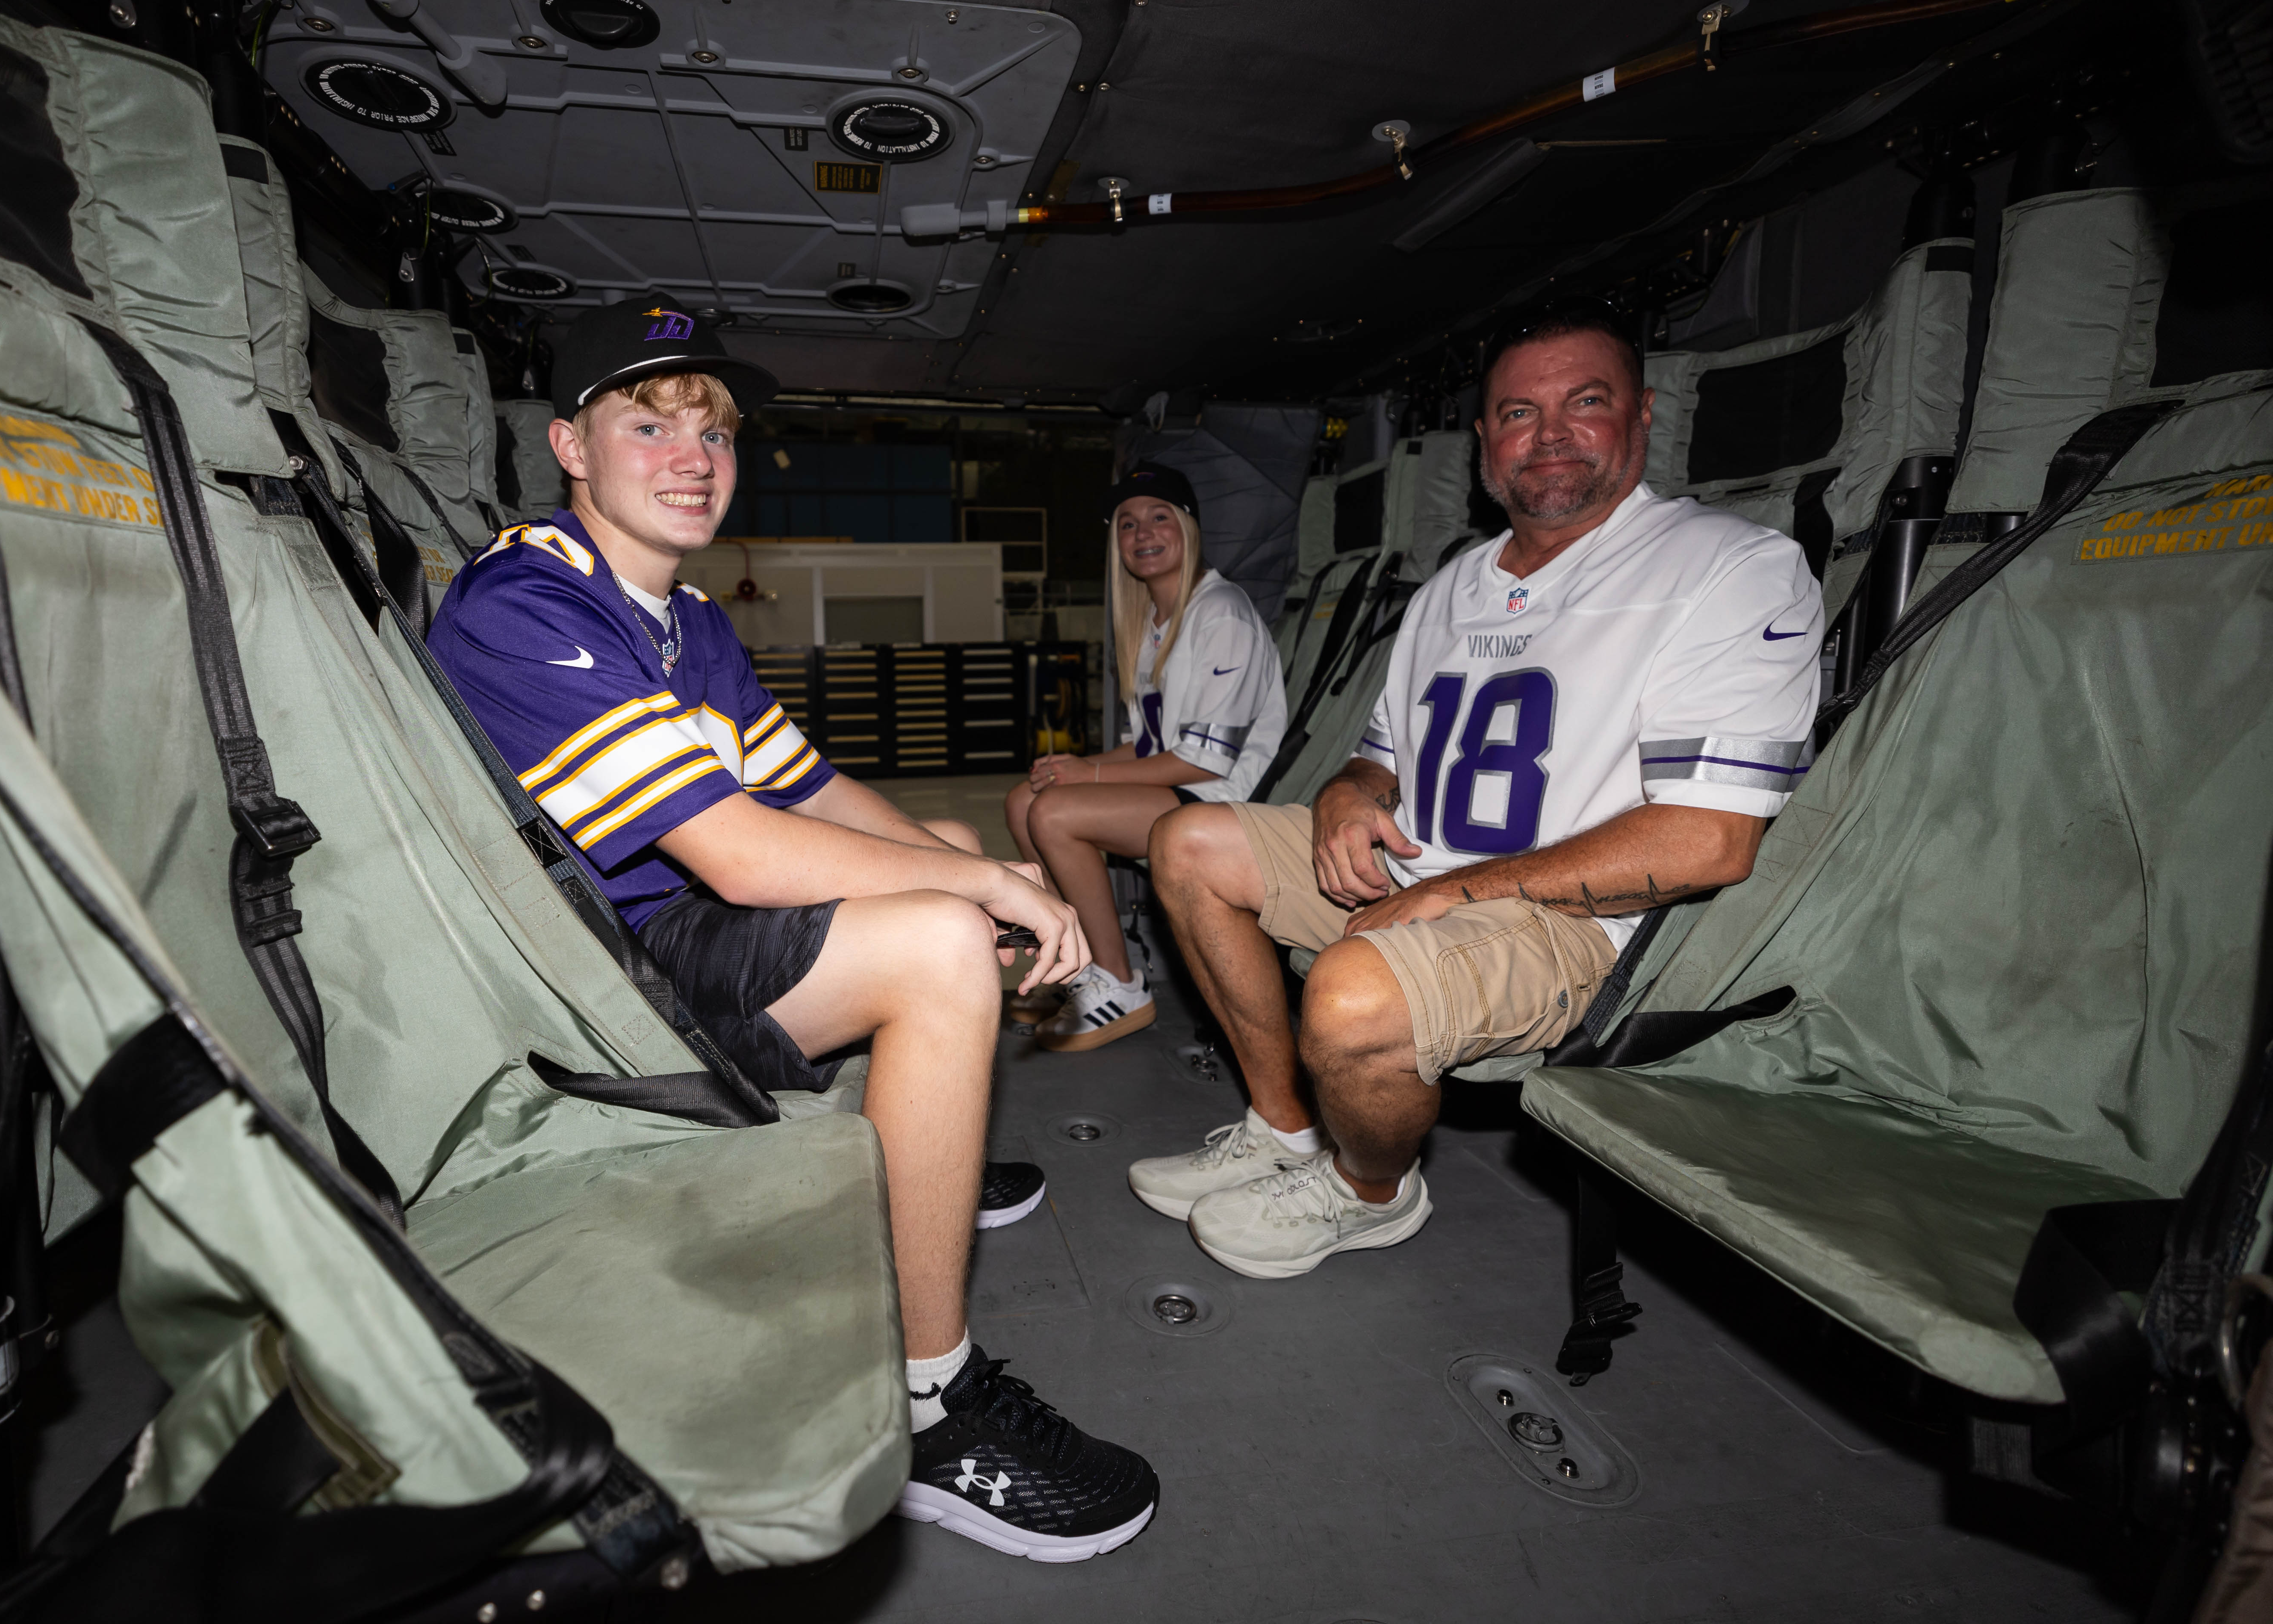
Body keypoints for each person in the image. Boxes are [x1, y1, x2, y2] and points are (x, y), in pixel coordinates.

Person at [427, 297, 1159, 1560]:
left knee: (941, 851)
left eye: (712, 432)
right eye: (649, 426)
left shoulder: (686, 615)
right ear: (570, 447)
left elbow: (810, 790)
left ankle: (918, 1147)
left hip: (672, 933)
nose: (693, 458)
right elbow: (740, 852)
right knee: (940, 939)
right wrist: (985, 895)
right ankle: (931, 1406)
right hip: (589, 986)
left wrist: (966, 859)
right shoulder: (528, 599)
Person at [1132, 301, 1820, 1279]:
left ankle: (1371, 1189)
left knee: (1350, 996)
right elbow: (1379, 758)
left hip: (1572, 923)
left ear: (1642, 414)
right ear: (1485, 440)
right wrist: (1346, 795)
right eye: (1518, 413)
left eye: (1586, 402)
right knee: (1187, 840)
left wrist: (1457, 891)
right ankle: (1284, 1128)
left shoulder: (1728, 568)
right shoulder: (1450, 589)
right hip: (1422, 868)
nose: (1550, 434)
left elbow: (1709, 838)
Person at [1005, 465, 1286, 1051]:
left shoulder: (1222, 612)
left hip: (1224, 800)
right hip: (1180, 784)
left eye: (1160, 517)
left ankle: (1122, 986)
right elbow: (1152, 746)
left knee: (1054, 813)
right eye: (1128, 524)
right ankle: (1083, 965)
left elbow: (1206, 760)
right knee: (1025, 799)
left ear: (1189, 528)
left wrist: (1091, 773)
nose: (1143, 533)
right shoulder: (1153, 623)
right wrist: (1074, 767)